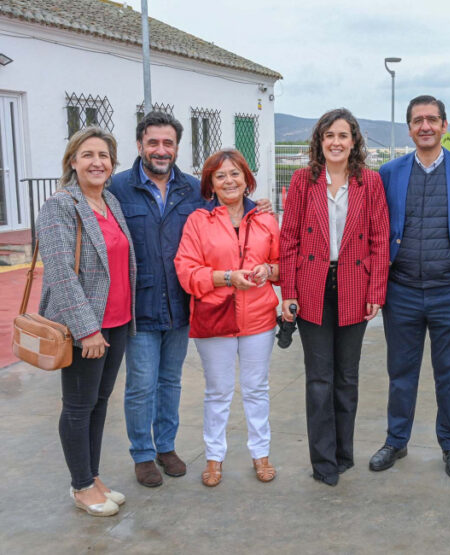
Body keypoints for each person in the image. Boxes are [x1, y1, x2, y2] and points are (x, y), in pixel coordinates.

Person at [110, 112, 270, 487]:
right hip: (141, 302)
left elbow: (231, 205)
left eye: (168, 143)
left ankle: (165, 447)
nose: (161, 149)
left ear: (177, 148)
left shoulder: (191, 189)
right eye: (153, 142)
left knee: (170, 381)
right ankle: (143, 454)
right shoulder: (117, 188)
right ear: (139, 145)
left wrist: (257, 207)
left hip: (181, 305)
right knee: (141, 385)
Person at [369, 95, 450, 479]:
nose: (425, 126)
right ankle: (396, 441)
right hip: (401, 291)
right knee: (401, 372)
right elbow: (376, 229)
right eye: (418, 120)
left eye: (432, 119)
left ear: (444, 125)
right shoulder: (389, 173)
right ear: (409, 128)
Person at [280, 108, 389, 486]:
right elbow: (288, 240)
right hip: (312, 285)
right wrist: (288, 293)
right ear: (319, 141)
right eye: (329, 135)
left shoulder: (370, 182)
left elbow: (379, 240)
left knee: (347, 377)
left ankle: (344, 453)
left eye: (343, 135)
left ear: (354, 141)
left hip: (354, 285)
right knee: (319, 379)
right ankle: (323, 461)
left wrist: (376, 291)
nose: (336, 142)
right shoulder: (302, 181)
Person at [37, 127, 136, 516]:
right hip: (87, 328)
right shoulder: (60, 205)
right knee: (78, 407)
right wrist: (87, 329)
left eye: (104, 156)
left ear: (112, 164)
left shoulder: (110, 201)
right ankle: (80, 486)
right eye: (88, 155)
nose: (97, 162)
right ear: (72, 161)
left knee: (99, 402)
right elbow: (61, 274)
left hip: (117, 322)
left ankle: (92, 477)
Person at [175, 149, 280, 487]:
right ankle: (214, 457)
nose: (229, 181)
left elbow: (283, 267)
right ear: (211, 184)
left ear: (247, 179)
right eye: (220, 175)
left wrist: (268, 270)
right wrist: (226, 278)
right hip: (215, 317)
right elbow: (186, 271)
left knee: (256, 388)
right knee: (218, 391)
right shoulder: (197, 221)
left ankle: (261, 454)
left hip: (258, 317)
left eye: (235, 173)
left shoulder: (265, 219)